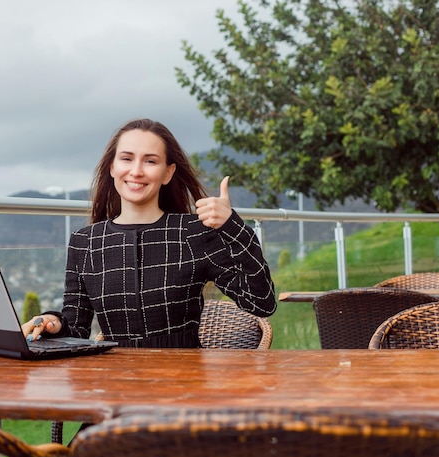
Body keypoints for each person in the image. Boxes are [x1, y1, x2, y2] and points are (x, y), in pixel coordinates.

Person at [22, 118, 276, 348]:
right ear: (112, 167)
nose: (136, 171)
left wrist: (234, 227)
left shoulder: (193, 233)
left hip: (185, 383)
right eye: (126, 158)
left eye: (150, 161)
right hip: (115, 386)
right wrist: (53, 321)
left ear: (168, 173)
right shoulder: (84, 242)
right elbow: (76, 327)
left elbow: (261, 302)